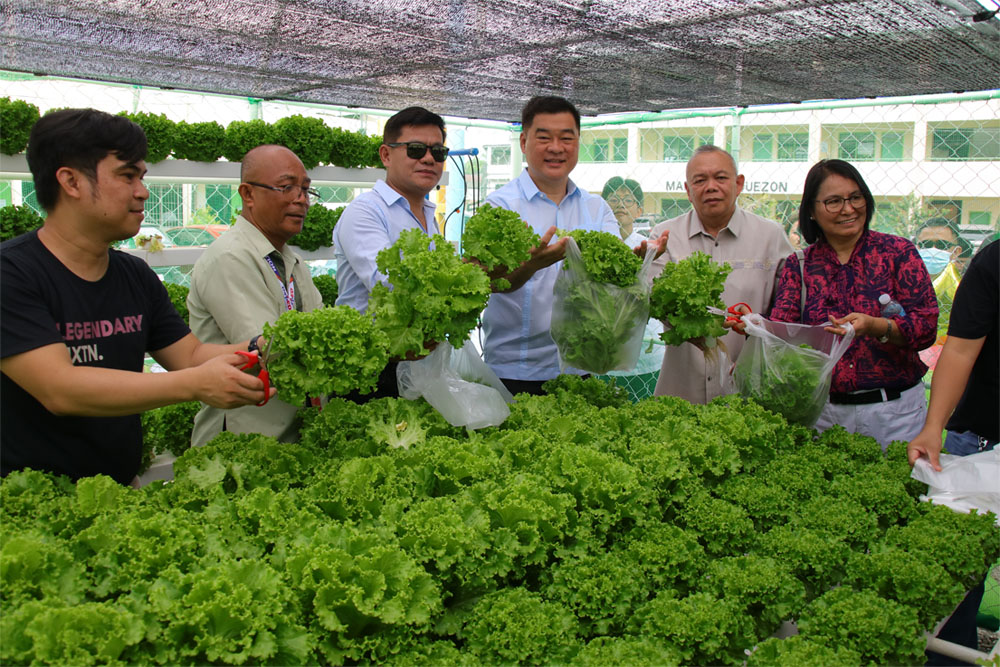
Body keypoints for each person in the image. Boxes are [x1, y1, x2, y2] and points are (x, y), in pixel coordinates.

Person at [0, 109, 272, 487]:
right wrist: (195, 385)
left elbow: (189, 356)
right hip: (27, 506)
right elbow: (59, 389)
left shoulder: (134, 275)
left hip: (118, 491)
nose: (143, 190)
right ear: (71, 181)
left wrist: (265, 345)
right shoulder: (12, 273)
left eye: (142, 177)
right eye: (127, 176)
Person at [481, 96, 666, 396]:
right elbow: (487, 283)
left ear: (578, 142)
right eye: (544, 138)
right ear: (524, 141)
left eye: (567, 138)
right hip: (515, 369)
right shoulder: (499, 206)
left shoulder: (596, 209)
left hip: (582, 365)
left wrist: (637, 261)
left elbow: (610, 284)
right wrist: (532, 265)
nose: (556, 148)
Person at [769, 159, 938, 448]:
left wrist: (877, 326)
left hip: (893, 412)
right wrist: (754, 326)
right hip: (823, 413)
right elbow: (783, 334)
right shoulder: (798, 265)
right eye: (834, 201)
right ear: (811, 210)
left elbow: (926, 328)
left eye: (855, 197)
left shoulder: (898, 254)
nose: (848, 209)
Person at [187, 144, 323, 447]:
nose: (301, 200)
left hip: (286, 439)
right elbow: (272, 351)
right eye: (287, 187)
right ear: (248, 194)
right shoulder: (231, 257)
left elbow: (321, 331)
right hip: (244, 443)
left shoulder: (291, 261)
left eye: (305, 189)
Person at [907, 239, 997, 665]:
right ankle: (952, 659)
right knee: (957, 579)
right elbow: (960, 349)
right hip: (979, 436)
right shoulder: (994, 261)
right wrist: (933, 427)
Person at [647, 145, 794, 404]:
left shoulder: (771, 237)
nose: (711, 186)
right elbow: (654, 303)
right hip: (682, 392)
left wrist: (758, 327)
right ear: (688, 191)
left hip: (750, 391)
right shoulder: (665, 236)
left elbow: (789, 314)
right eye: (700, 180)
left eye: (720, 178)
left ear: (738, 184)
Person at [333, 106, 449, 400]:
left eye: (438, 152)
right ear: (386, 155)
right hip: (371, 367)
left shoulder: (426, 213)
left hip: (414, 360)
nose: (428, 159)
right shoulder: (366, 212)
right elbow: (390, 284)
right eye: (415, 149)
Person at [602, 176, 647, 246]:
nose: (621, 205)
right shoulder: (594, 243)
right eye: (614, 200)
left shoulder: (645, 246)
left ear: (639, 211)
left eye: (628, 200)